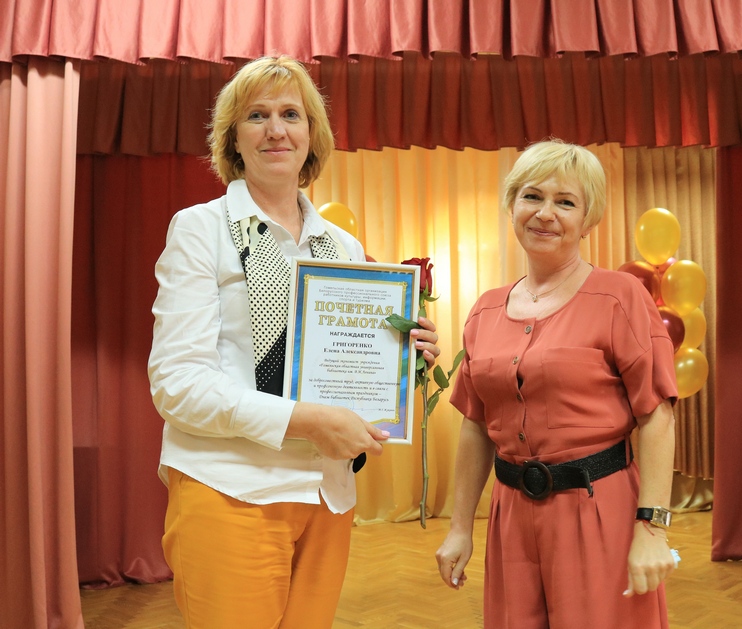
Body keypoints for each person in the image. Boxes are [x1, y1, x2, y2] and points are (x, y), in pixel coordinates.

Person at [148, 55, 440, 629]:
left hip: (327, 494)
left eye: (291, 115)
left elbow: (350, 371)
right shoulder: (200, 228)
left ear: (312, 134)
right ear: (233, 138)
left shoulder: (343, 248)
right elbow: (176, 385)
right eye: (256, 116)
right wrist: (303, 421)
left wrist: (405, 359)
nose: (275, 130)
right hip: (229, 488)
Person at [435, 139, 678, 628]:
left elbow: (656, 414)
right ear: (512, 205)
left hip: (598, 511)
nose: (545, 213)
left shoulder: (619, 296)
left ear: (588, 220)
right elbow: (476, 426)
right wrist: (460, 527)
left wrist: (652, 528)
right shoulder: (484, 310)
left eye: (565, 202)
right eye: (532, 196)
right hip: (510, 516)